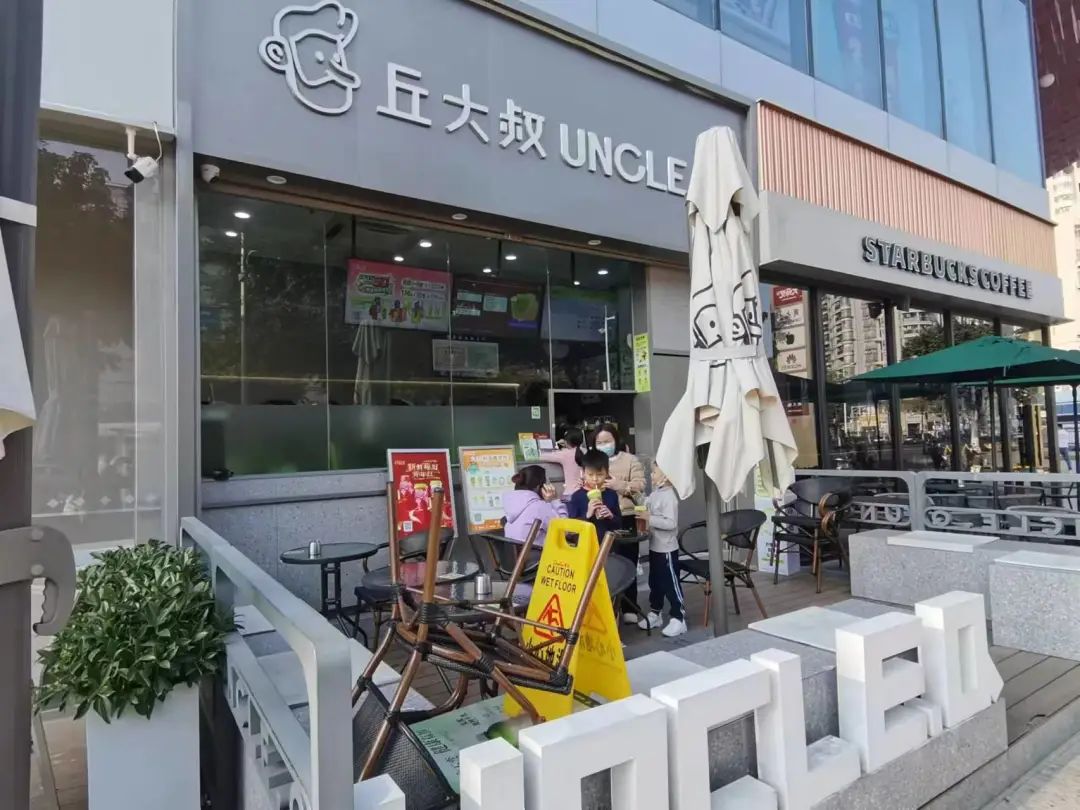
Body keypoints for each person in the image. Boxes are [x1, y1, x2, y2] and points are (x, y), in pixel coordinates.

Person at [591, 423, 645, 622]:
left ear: (616, 440)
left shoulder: (630, 460)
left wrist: (619, 485)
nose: (603, 445)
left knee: (628, 562)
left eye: (607, 441)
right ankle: (607, 609)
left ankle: (630, 607)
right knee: (605, 564)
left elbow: (640, 485)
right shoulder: (593, 461)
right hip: (601, 519)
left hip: (626, 517)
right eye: (599, 442)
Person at [638, 463, 686, 638]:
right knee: (655, 582)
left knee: (671, 583)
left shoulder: (669, 497)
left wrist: (649, 518)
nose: (651, 475)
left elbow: (671, 523)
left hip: (667, 549)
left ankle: (679, 618)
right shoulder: (656, 493)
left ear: (666, 476)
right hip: (655, 547)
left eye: (654, 472)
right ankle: (655, 612)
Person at [502, 465, 567, 546]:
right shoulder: (540, 507)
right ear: (539, 487)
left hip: (517, 553)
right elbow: (565, 530)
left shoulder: (511, 505)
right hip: (537, 553)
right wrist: (555, 500)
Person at [567, 449, 622, 543]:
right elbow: (571, 530)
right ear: (583, 473)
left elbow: (619, 524)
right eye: (590, 474)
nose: (595, 479)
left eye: (600, 474)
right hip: (585, 546)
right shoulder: (577, 497)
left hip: (608, 545)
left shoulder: (612, 494)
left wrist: (611, 516)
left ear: (607, 473)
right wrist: (587, 515)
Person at [539, 427, 585, 501]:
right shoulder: (586, 451)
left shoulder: (565, 454)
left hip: (570, 494)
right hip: (585, 493)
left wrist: (560, 447)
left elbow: (542, 456)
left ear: (566, 441)